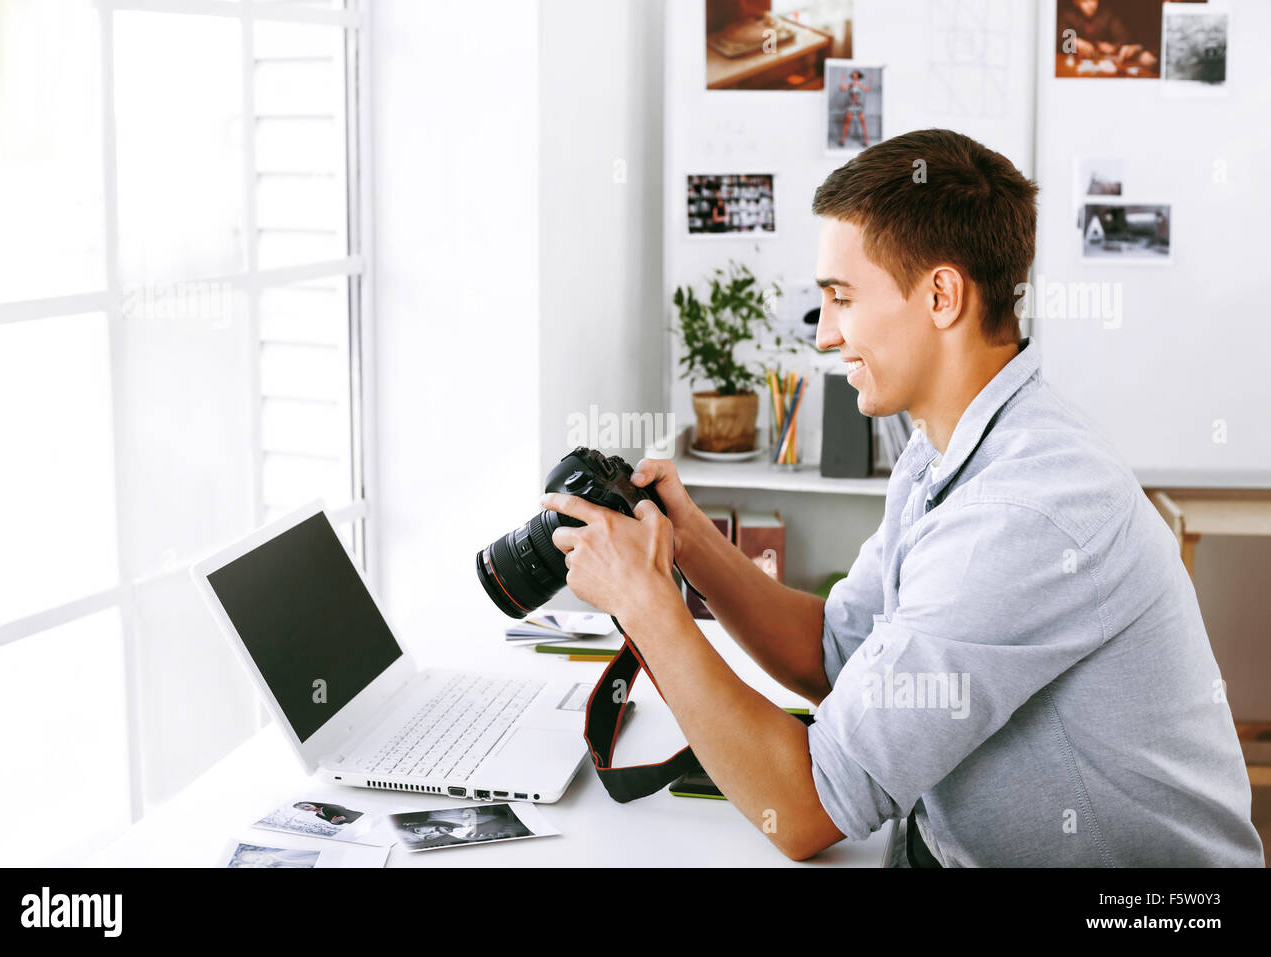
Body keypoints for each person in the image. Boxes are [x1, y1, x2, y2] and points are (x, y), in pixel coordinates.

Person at [542, 128, 1264, 867]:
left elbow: (802, 808)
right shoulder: (944, 450)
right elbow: (834, 652)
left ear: (942, 296)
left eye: (842, 298)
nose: (826, 336)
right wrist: (689, 539)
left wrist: (644, 601)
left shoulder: (1021, 512)